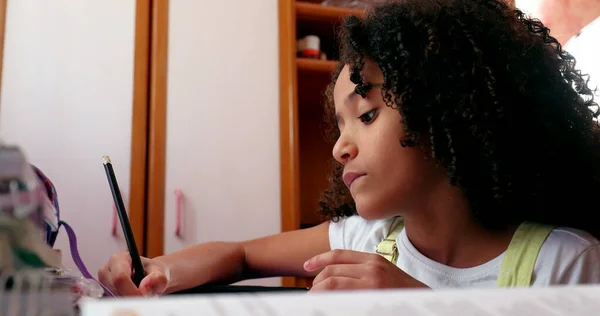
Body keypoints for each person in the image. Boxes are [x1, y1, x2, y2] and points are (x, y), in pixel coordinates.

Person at [98, 0, 600, 296]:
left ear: (451, 111)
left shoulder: (564, 262)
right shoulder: (364, 237)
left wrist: (419, 304)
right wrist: (160, 270)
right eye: (340, 125)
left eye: (367, 115)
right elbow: (241, 256)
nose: (340, 147)